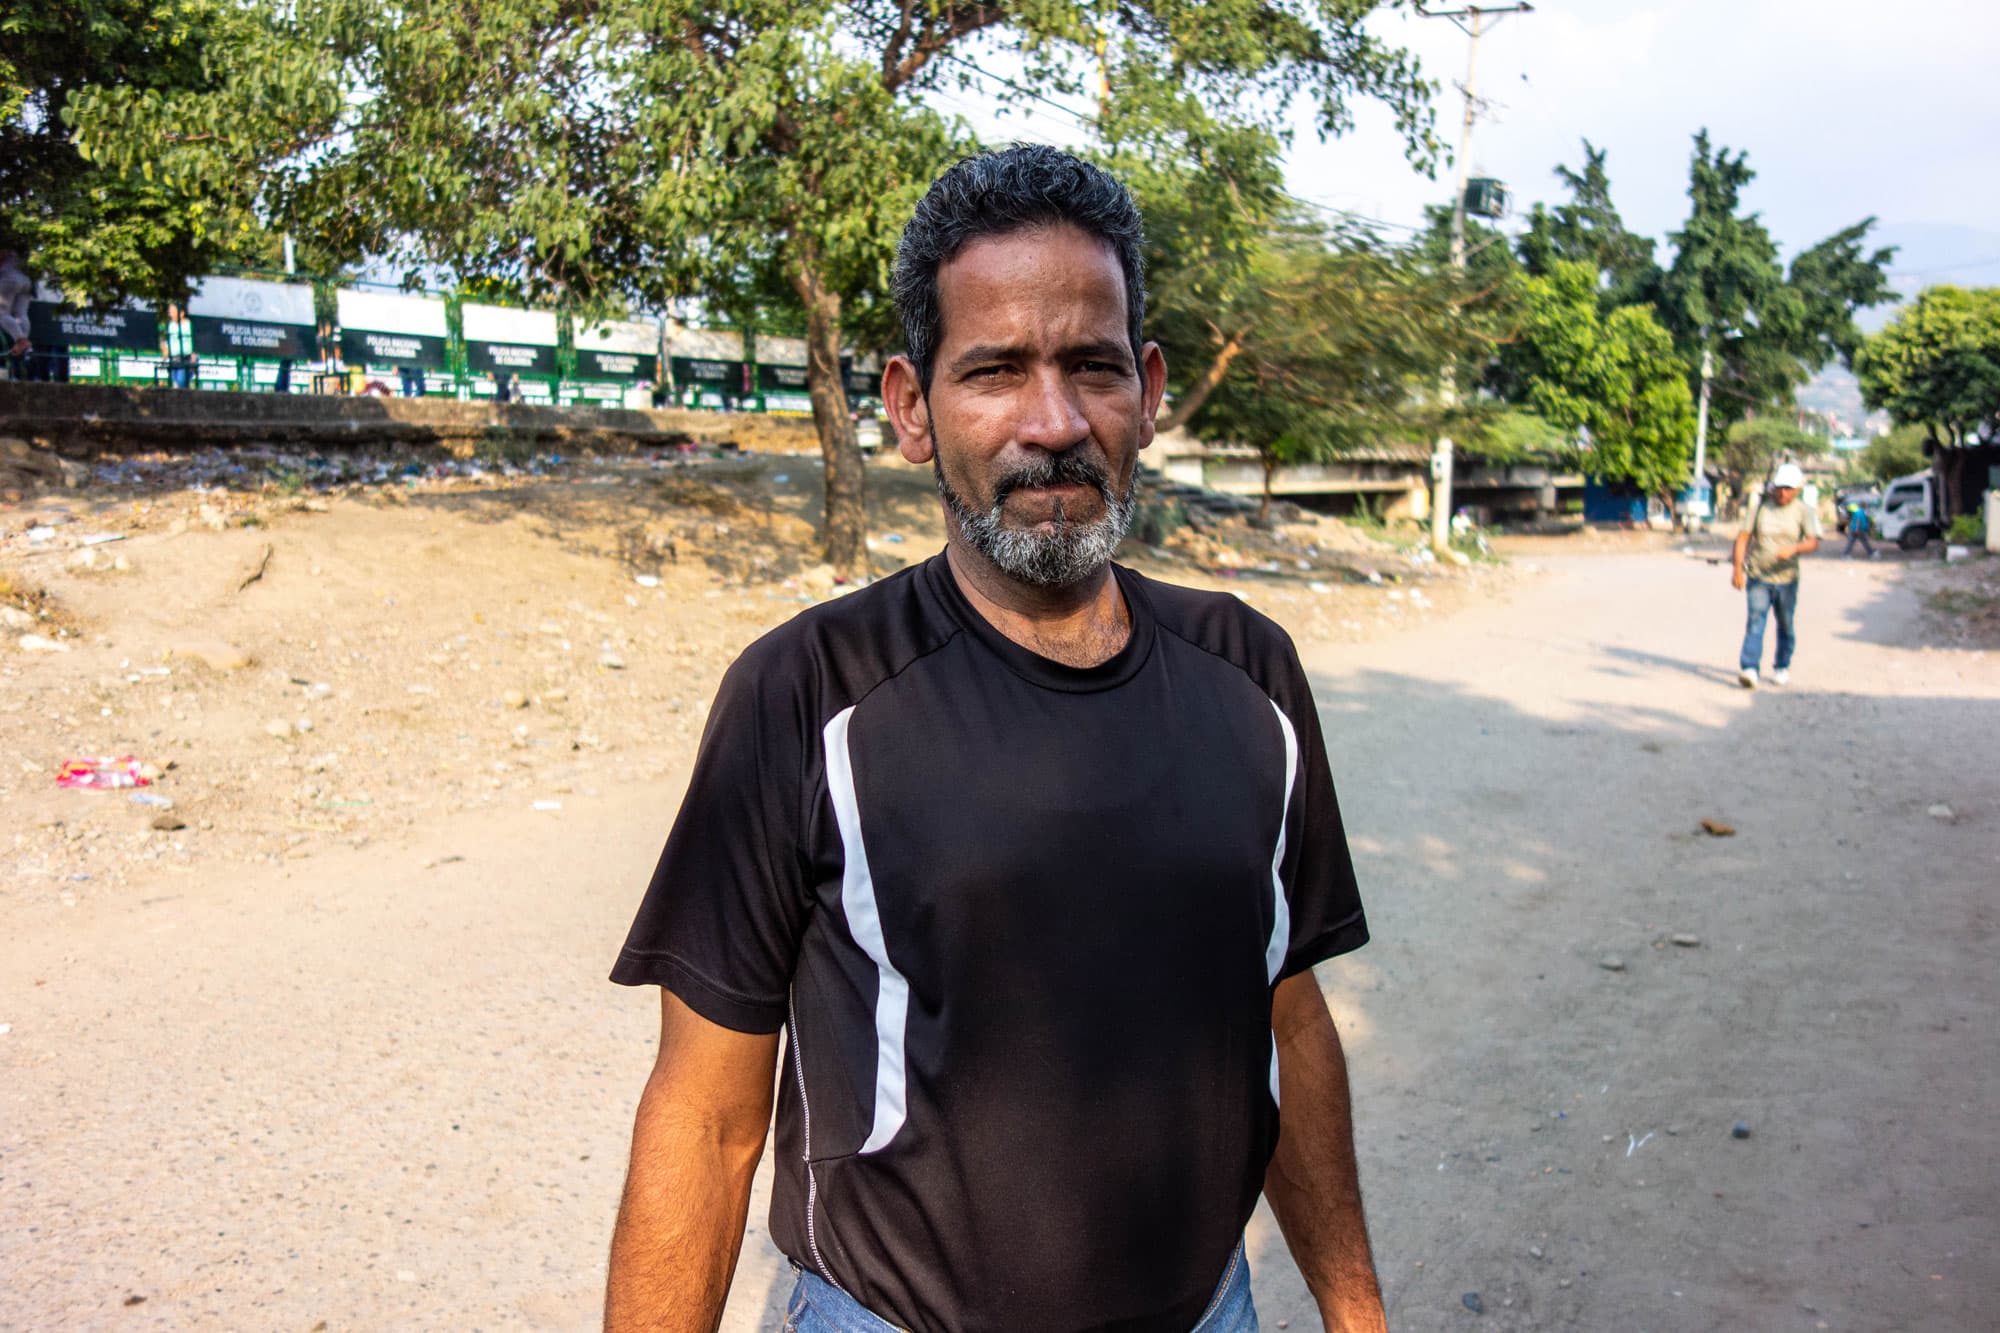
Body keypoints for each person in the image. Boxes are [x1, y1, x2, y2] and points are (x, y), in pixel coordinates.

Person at [606, 146, 1385, 1333]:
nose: (1053, 422)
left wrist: (1352, 1309)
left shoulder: (1250, 674)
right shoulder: (806, 696)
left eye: (1092, 366)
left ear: (1150, 389)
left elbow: (1286, 1018)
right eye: (993, 371)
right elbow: (706, 1120)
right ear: (911, 407)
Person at [1732, 461, 1821, 688]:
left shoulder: (1803, 511)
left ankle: (1781, 666)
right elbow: (1743, 538)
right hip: (1759, 576)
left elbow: (1812, 542)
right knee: (1755, 621)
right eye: (1780, 487)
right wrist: (1737, 569)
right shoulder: (1760, 509)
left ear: (1797, 490)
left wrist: (1794, 548)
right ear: (1773, 487)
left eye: (1788, 488)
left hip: (1787, 579)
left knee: (1785, 624)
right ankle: (1749, 668)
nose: (1783, 492)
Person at [0, 249, 33, 371]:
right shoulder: (22, 242)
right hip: (25, 280)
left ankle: (21, 340)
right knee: (20, 314)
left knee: (1, 313)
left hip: (9, 278)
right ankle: (24, 343)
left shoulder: (7, 239)